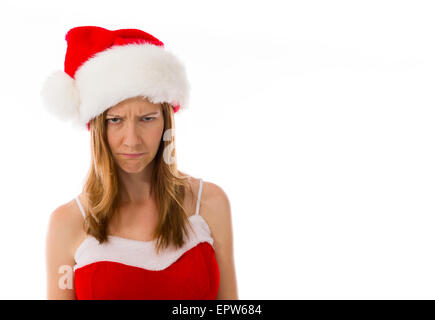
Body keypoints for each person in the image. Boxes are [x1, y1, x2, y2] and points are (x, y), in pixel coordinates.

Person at [41, 26, 238, 300]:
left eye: (147, 118)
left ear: (166, 121)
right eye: (115, 120)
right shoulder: (67, 223)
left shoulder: (209, 203)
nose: (132, 141)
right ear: (97, 128)